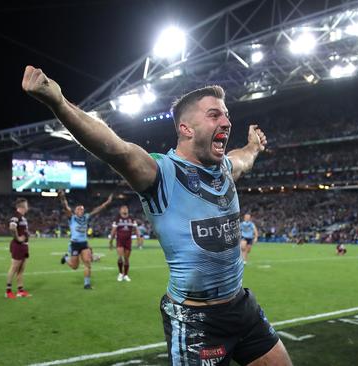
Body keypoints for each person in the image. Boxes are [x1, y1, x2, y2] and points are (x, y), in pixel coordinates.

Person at [23, 66, 291, 365]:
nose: (226, 122)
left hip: (242, 307)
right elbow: (114, 148)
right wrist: (58, 102)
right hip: (197, 322)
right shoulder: (161, 173)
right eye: (215, 115)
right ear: (186, 128)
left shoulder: (226, 169)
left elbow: (244, 157)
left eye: (226, 115)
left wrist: (254, 145)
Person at [59, 191, 112, 289]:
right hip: (75, 244)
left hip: (84, 244)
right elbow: (65, 207)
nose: (80, 210)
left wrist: (106, 203)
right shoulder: (72, 218)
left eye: (82, 209)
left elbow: (97, 210)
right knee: (75, 267)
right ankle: (66, 258)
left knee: (87, 262)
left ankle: (87, 284)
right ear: (75, 211)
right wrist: (62, 198)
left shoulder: (86, 217)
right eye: (78, 209)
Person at [5, 198, 31, 299]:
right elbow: (12, 227)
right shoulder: (16, 216)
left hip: (24, 245)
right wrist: (18, 238)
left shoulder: (22, 217)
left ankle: (20, 290)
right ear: (22, 206)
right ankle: (8, 291)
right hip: (18, 245)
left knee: (21, 269)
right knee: (14, 267)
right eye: (27, 205)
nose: (28, 207)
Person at [109, 205, 142, 282]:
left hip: (128, 241)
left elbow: (136, 230)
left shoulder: (132, 219)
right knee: (120, 257)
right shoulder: (117, 219)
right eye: (123, 208)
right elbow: (113, 231)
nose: (124, 209)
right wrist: (111, 241)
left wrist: (138, 239)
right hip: (119, 241)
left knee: (126, 259)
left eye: (126, 208)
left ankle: (126, 275)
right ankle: (120, 273)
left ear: (128, 210)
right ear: (120, 210)